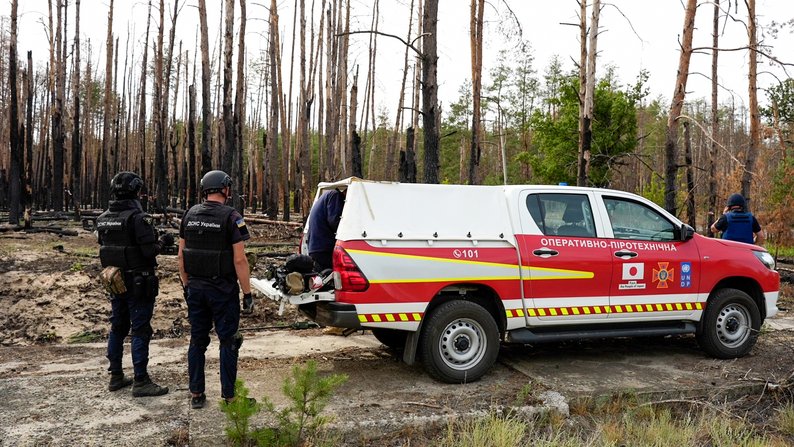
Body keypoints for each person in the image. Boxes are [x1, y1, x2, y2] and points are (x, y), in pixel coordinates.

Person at [178, 170, 254, 409]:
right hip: (222, 290)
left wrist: (186, 285)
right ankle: (230, 397)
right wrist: (247, 293)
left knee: (197, 341)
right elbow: (239, 260)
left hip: (196, 288)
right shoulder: (232, 217)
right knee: (229, 341)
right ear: (225, 189)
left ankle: (196, 394)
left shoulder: (189, 215)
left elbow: (181, 256)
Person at [97, 171, 170, 397]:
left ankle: (116, 375)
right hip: (139, 282)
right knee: (140, 329)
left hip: (115, 281)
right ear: (137, 191)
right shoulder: (139, 219)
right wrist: (162, 242)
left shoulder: (103, 218)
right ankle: (141, 380)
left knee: (117, 327)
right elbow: (149, 251)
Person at [306, 188, 346, 271]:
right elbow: (334, 221)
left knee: (322, 275)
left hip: (316, 246)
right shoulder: (335, 196)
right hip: (324, 248)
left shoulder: (327, 195)